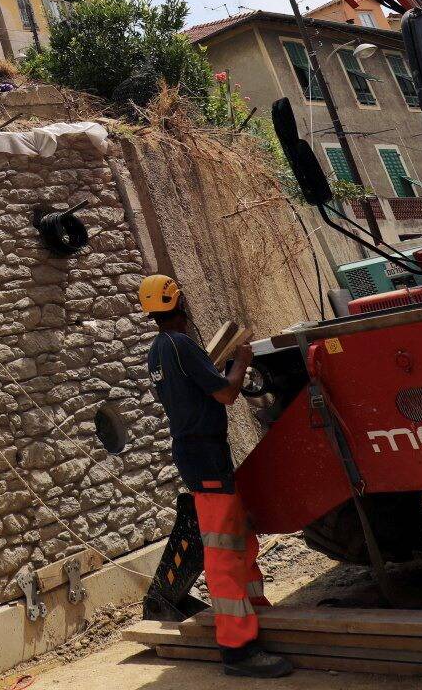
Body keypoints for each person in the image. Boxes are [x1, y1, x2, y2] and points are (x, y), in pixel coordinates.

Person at [141, 275, 292, 679]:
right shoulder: (182, 345)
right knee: (224, 553)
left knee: (239, 538)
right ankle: (238, 649)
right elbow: (225, 394)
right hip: (205, 457)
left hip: (200, 456)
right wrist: (241, 360)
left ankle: (256, 613)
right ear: (179, 303)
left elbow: (194, 393)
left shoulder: (157, 351)